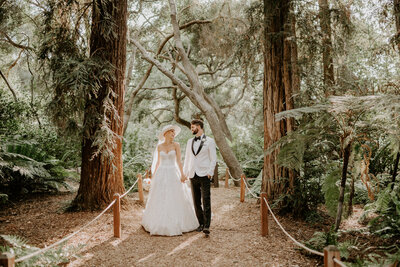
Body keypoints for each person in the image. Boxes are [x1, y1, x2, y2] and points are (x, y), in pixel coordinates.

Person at [141, 125, 199, 236]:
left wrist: (182, 174)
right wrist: (153, 177)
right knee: (160, 196)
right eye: (171, 132)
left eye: (174, 133)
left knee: (175, 195)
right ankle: (157, 222)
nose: (173, 134)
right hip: (161, 173)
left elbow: (179, 161)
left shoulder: (176, 145)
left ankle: (178, 221)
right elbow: (158, 162)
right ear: (166, 133)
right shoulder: (159, 147)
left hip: (173, 172)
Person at [183, 119, 217, 236]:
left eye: (193, 127)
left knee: (206, 200)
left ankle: (207, 225)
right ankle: (201, 223)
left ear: (199, 127)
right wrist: (185, 173)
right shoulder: (189, 142)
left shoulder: (210, 141)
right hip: (193, 174)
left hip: (205, 175)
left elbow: (213, 158)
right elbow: (187, 158)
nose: (191, 129)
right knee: (196, 201)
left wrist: (210, 172)